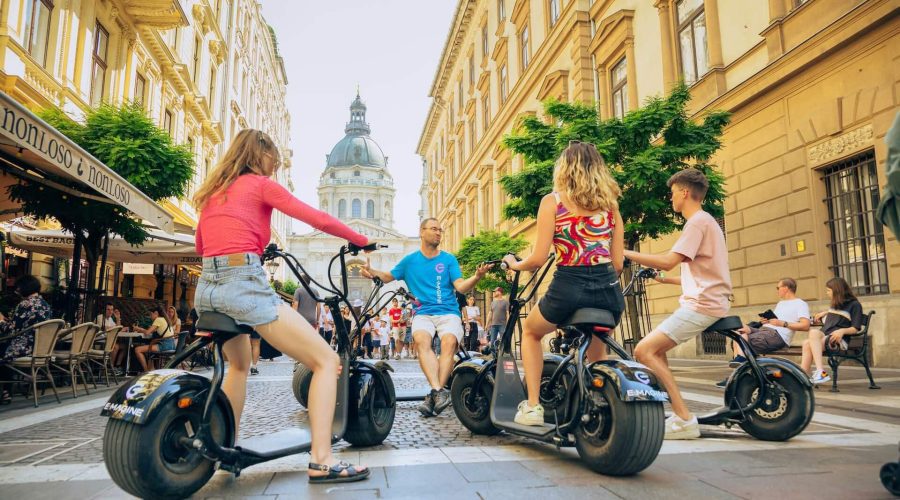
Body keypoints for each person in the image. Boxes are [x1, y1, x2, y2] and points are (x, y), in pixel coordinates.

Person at [190, 128, 370, 482]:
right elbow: (316, 218)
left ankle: (226, 447)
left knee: (238, 366)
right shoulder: (260, 184)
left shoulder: (213, 193)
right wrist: (361, 239)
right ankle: (322, 460)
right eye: (274, 160)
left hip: (207, 288)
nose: (275, 167)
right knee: (326, 361)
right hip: (243, 282)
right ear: (261, 156)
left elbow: (200, 245)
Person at [500, 142, 625, 426]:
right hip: (608, 290)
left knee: (531, 332)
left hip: (569, 285)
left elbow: (538, 258)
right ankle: (603, 404)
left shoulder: (553, 202)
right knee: (597, 344)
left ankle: (532, 407)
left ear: (564, 169)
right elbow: (618, 264)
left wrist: (514, 263)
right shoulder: (611, 207)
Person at [624, 168, 732, 440]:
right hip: (707, 300)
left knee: (643, 350)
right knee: (656, 352)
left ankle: (684, 418)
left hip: (702, 305)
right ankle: (678, 412)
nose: (671, 199)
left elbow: (669, 259)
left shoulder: (697, 222)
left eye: (673, 193)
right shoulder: (707, 222)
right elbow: (699, 271)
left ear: (685, 193)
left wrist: (623, 252)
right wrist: (665, 281)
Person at [363, 217, 492, 417]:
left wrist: (476, 277)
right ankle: (439, 391)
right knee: (422, 340)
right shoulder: (410, 261)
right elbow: (387, 277)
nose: (438, 232)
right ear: (422, 232)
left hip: (448, 312)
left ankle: (434, 393)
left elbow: (460, 286)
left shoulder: (448, 259)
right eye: (434, 229)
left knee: (448, 342)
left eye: (440, 230)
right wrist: (371, 271)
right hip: (422, 313)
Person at [713, 278, 810, 388]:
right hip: (764, 331)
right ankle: (739, 370)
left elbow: (805, 325)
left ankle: (737, 375)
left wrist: (782, 323)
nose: (777, 290)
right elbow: (775, 321)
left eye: (778, 288)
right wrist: (766, 321)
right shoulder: (781, 303)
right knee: (739, 331)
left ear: (786, 288)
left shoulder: (800, 304)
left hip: (777, 336)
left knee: (741, 342)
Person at [800, 277, 863, 384]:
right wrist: (826, 312)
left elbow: (855, 328)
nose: (827, 293)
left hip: (838, 340)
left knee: (811, 337)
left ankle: (817, 372)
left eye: (829, 290)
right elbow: (838, 316)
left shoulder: (855, 305)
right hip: (826, 337)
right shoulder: (835, 304)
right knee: (807, 342)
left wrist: (842, 331)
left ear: (837, 290)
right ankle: (802, 377)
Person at [132, 305, 175, 372]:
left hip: (164, 345)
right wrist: (141, 329)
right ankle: (149, 370)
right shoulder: (165, 319)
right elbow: (151, 331)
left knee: (137, 349)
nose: (150, 316)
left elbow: (147, 333)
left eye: (151, 314)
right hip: (172, 344)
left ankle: (146, 371)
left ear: (156, 313)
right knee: (147, 349)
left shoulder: (158, 319)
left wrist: (138, 328)